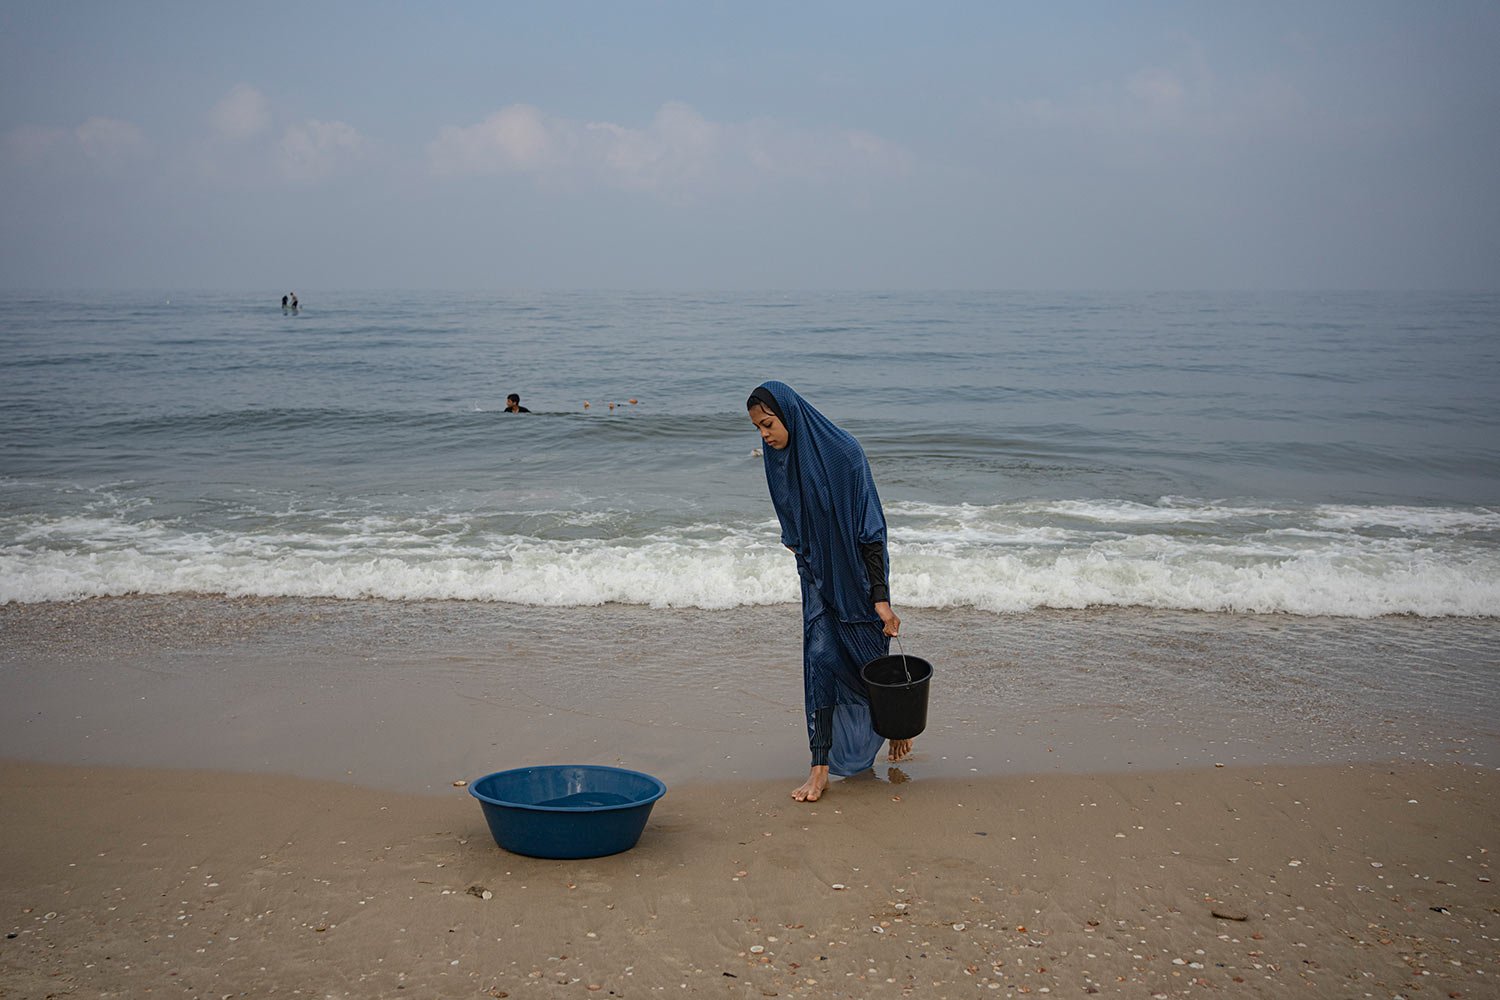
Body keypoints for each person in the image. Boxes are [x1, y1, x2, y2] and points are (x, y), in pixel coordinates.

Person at [747, 381, 910, 803]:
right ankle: (818, 767)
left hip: (857, 578)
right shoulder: (777, 459)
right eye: (758, 429)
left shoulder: (845, 454)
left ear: (790, 414)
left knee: (868, 665)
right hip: (816, 577)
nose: (764, 436)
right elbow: (793, 526)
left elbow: (871, 531)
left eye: (768, 425)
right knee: (819, 659)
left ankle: (895, 728)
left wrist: (881, 598)